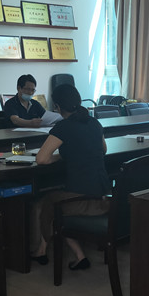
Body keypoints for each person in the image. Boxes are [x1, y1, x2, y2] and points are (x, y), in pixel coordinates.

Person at [32, 84, 110, 269]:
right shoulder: (94, 123)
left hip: (83, 200)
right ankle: (77, 256)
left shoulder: (64, 127)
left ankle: (42, 251)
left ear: (57, 107)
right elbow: (104, 150)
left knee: (47, 203)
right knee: (56, 202)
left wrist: (61, 156)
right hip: (104, 195)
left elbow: (41, 159)